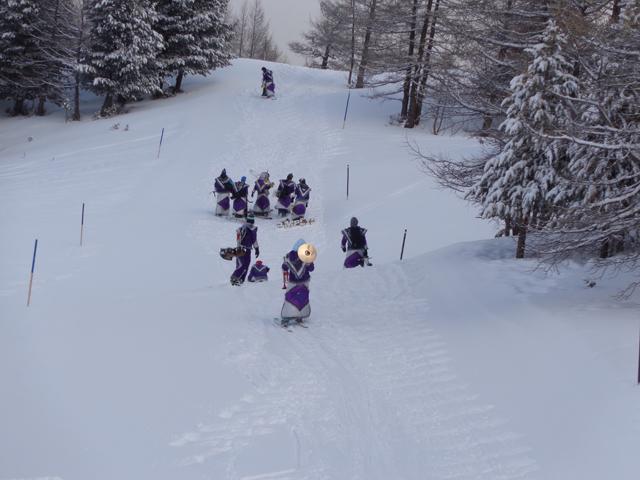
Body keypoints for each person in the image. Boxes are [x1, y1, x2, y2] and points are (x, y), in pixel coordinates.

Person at [281, 239, 315, 326]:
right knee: (302, 298)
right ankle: (300, 315)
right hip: (305, 282)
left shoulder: (289, 256)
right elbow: (312, 269)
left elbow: (284, 267)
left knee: (290, 297)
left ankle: (286, 317)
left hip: (293, 282)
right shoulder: (306, 255)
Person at [230, 214, 259, 285]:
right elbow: (253, 240)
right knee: (244, 265)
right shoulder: (248, 229)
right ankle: (236, 278)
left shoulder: (245, 228)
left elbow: (239, 239)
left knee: (242, 264)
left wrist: (256, 248)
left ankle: (239, 279)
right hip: (244, 249)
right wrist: (257, 248)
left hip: (243, 249)